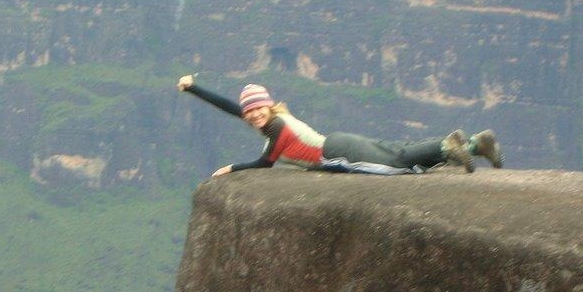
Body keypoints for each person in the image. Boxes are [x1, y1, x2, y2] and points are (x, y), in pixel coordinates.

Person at [177, 75, 503, 177]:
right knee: (399, 152)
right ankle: (475, 144)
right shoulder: (270, 121)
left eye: (257, 109)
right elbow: (230, 107)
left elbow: (266, 162)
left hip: (336, 154)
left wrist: (231, 168)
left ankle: (448, 146)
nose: (252, 115)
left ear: (269, 105)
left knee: (397, 168)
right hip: (339, 142)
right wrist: (193, 88)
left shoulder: (276, 128)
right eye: (249, 113)